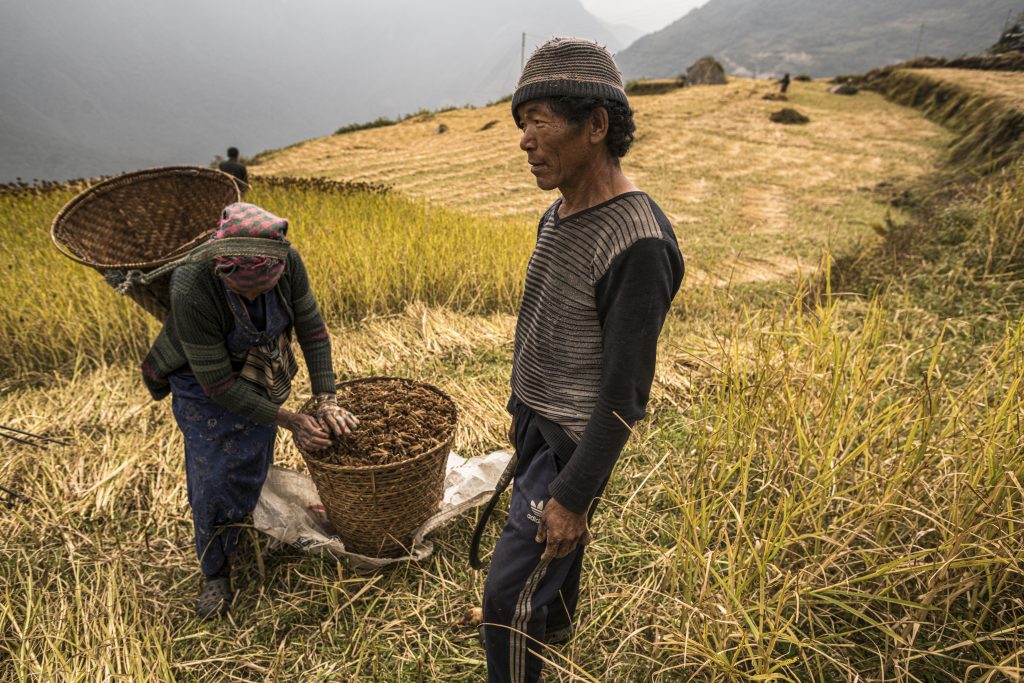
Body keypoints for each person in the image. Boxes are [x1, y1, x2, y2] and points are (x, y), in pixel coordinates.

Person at [480, 38, 684, 683]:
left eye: (539, 121)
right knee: (545, 567)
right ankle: (555, 625)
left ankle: (525, 634)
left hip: (572, 441)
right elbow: (545, 320)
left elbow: (624, 398)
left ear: (596, 125)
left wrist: (571, 496)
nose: (524, 141)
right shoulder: (560, 212)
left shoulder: (638, 244)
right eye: (522, 123)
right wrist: (520, 410)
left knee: (505, 601)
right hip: (538, 421)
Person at [140, 201, 358, 619]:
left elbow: (312, 331)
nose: (257, 296)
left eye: (264, 289)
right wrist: (291, 419)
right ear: (225, 273)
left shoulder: (289, 262)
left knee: (253, 452)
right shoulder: (192, 285)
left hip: (257, 365)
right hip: (200, 380)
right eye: (246, 292)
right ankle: (216, 570)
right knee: (214, 471)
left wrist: (326, 398)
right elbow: (218, 385)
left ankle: (243, 527)